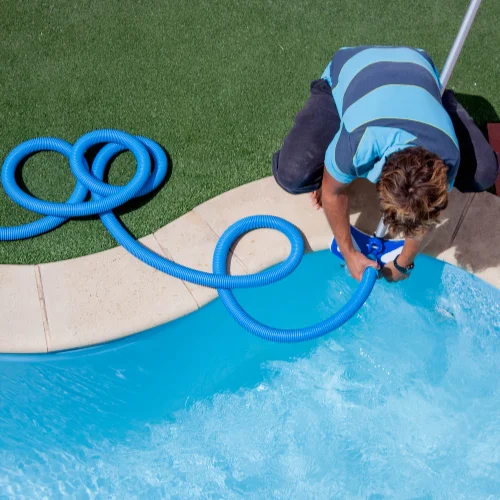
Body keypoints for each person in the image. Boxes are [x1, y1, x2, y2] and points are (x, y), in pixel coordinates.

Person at [272, 46, 499, 283]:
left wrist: (404, 264)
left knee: (483, 173)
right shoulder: (361, 144)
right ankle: (358, 106)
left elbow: (427, 219)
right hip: (353, 68)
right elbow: (331, 192)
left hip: (415, 65)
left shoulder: (446, 155)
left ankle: (438, 99)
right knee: (293, 174)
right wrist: (349, 253)